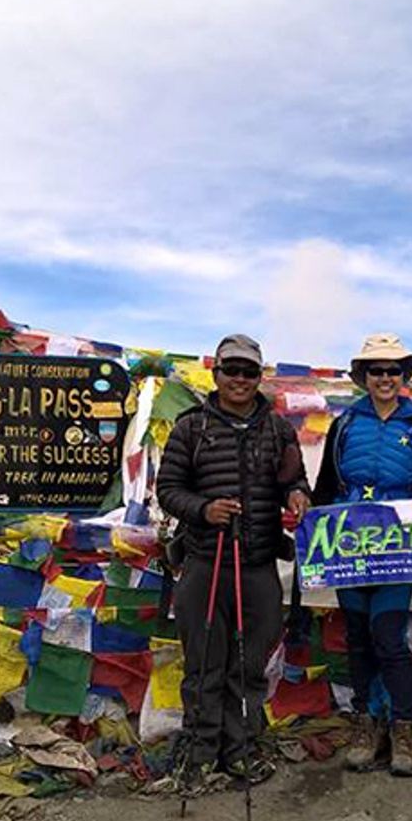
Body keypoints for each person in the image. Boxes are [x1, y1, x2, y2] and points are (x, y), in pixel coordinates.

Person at [156, 333, 311, 794]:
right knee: (204, 664)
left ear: (258, 377)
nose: (240, 379)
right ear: (216, 374)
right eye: (232, 370)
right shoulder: (190, 427)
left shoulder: (280, 429)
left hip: (260, 564)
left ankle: (241, 751)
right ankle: (201, 755)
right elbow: (167, 489)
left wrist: (298, 496)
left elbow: (294, 479)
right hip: (206, 562)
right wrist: (204, 510)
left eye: (249, 372)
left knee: (249, 666)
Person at [312, 333, 412, 777]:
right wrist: (308, 523)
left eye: (393, 370)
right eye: (376, 370)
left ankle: (405, 727)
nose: (385, 378)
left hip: (397, 550)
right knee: (358, 636)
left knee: (389, 635)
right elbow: (326, 486)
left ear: (404, 375)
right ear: (363, 377)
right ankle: (366, 725)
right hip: (349, 547)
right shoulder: (345, 424)